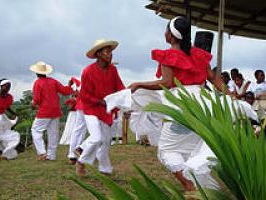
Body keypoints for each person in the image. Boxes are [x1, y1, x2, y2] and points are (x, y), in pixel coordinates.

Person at [128, 16, 228, 191]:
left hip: (181, 108)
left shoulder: (168, 55)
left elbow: (166, 83)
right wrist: (230, 95)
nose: (165, 33)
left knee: (166, 150)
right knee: (190, 151)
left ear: (171, 36)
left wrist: (139, 84)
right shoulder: (199, 55)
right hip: (202, 107)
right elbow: (213, 79)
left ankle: (190, 185)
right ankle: (203, 189)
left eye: (166, 30)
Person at [76, 39, 125, 176]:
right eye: (107, 52)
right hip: (91, 109)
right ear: (98, 54)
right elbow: (84, 96)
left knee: (105, 142)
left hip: (106, 110)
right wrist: (100, 101)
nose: (110, 55)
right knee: (97, 138)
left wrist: (127, 96)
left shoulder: (113, 70)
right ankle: (82, 161)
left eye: (111, 52)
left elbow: (119, 87)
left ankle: (105, 169)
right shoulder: (88, 71)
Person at [30, 61, 74, 161]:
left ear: (36, 73)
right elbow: (65, 91)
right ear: (46, 72)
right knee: (53, 133)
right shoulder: (53, 81)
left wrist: (33, 105)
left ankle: (42, 152)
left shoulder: (37, 83)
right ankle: (51, 155)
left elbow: (36, 99)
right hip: (55, 111)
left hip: (44, 111)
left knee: (36, 130)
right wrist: (69, 85)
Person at [0, 79, 20, 159]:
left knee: (6, 134)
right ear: (2, 86)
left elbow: (7, 108)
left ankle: (3, 151)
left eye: (9, 87)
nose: (8, 88)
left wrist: (14, 114)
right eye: (7, 86)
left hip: (2, 116)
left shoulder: (9, 97)